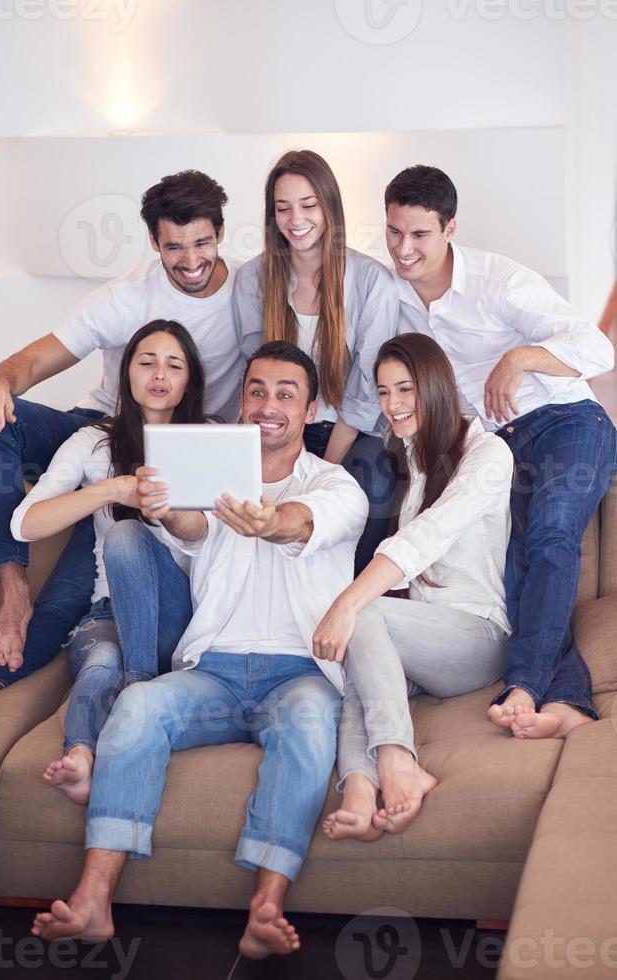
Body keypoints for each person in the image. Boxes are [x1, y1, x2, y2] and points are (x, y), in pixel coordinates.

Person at [31, 341, 368, 959]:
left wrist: (272, 522)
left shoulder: (337, 484)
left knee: (311, 724)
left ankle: (267, 904)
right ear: (241, 401)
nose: (268, 405)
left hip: (299, 674)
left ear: (311, 408)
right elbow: (193, 531)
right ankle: (93, 899)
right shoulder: (213, 476)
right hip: (211, 670)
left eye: (285, 394)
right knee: (136, 708)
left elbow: (301, 521)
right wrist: (169, 510)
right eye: (257, 391)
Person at [0, 169, 243, 715]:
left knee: (79, 584)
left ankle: (1, 671)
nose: (189, 259)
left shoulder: (252, 293)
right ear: (154, 243)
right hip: (107, 428)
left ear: (221, 233)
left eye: (202, 243)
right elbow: (34, 359)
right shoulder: (126, 298)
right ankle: (13, 592)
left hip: (186, 443)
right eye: (173, 246)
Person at [385, 164, 616, 738]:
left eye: (419, 235)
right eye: (395, 233)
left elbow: (597, 347)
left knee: (553, 535)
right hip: (496, 444)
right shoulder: (390, 295)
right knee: (513, 569)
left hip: (566, 421)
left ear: (449, 229)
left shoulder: (499, 281)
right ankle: (566, 701)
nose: (405, 249)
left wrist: (520, 358)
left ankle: (526, 686)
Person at [313, 333, 513, 840]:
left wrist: (348, 601)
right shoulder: (410, 455)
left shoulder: (488, 454)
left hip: (477, 637)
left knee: (366, 614)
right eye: (383, 392)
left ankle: (400, 762)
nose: (393, 405)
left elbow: (426, 538)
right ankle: (359, 788)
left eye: (406, 389)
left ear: (437, 386)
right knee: (359, 675)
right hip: (425, 641)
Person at [8, 320, 202, 803]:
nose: (159, 374)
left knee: (125, 534)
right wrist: (114, 488)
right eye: (146, 362)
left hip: (186, 621)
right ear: (126, 374)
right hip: (108, 616)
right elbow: (23, 524)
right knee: (102, 659)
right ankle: (81, 754)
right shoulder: (94, 443)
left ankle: (138, 689)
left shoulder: (211, 440)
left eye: (173, 365)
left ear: (189, 380)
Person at [233, 149, 400, 571]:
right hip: (279, 427)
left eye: (308, 205)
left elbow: (366, 387)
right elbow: (253, 373)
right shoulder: (253, 279)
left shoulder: (370, 280)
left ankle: (354, 596)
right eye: (283, 208)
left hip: (347, 432)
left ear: (329, 207)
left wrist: (321, 470)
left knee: (374, 480)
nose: (296, 219)